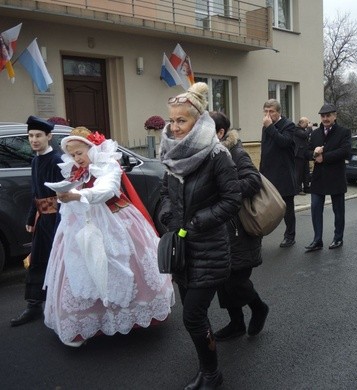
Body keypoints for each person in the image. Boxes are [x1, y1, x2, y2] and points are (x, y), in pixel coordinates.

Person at [42, 127, 174, 347]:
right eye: (72, 154)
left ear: (92, 149)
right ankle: (86, 323)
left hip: (115, 221)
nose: (76, 158)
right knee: (80, 269)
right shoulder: (76, 171)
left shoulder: (107, 164)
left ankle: (131, 316)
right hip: (82, 224)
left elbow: (108, 189)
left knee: (122, 263)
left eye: (80, 153)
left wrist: (78, 194)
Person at [159, 83, 241, 389]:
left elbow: (232, 201)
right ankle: (207, 370)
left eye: (182, 121)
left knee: (193, 317)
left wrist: (196, 222)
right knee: (193, 318)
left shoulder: (217, 154)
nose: (175, 126)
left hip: (209, 248)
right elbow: (166, 192)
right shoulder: (170, 151)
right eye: (172, 120)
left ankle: (212, 374)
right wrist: (167, 215)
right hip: (181, 250)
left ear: (199, 120)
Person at [210, 111, 269, 341]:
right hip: (221, 228)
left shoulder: (236, 152)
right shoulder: (212, 153)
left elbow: (253, 181)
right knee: (223, 281)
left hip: (240, 229)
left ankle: (259, 307)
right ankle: (236, 324)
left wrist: (225, 190)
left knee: (236, 280)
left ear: (220, 132)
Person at [10, 116, 63, 327]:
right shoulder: (35, 161)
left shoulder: (57, 160)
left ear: (48, 137)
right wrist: (31, 217)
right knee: (38, 261)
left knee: (58, 261)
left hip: (57, 220)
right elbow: (36, 193)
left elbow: (63, 195)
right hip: (43, 221)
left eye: (38, 136)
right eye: (31, 136)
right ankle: (34, 306)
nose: (34, 140)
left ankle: (60, 305)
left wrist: (60, 224)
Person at [304, 103, 350, 251]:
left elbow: (345, 151)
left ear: (334, 116)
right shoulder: (316, 133)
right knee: (316, 208)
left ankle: (338, 238)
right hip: (319, 177)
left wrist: (324, 157)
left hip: (336, 176)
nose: (325, 118)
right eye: (323, 116)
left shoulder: (344, 132)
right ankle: (317, 240)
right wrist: (313, 153)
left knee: (338, 210)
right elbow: (306, 152)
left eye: (328, 115)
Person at [259, 99, 298, 248]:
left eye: (271, 111)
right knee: (264, 208)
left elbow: (284, 142)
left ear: (279, 112)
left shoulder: (288, 125)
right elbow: (265, 151)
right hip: (268, 173)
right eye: (266, 111)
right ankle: (259, 235)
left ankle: (290, 236)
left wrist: (270, 127)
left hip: (283, 173)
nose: (268, 115)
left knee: (287, 208)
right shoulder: (266, 127)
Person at [294, 117, 312, 194]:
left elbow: (308, 136)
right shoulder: (296, 129)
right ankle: (298, 189)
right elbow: (304, 135)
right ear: (301, 123)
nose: (308, 124)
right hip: (299, 155)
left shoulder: (304, 130)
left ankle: (307, 188)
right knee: (299, 173)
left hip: (305, 154)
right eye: (306, 123)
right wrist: (309, 129)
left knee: (306, 172)